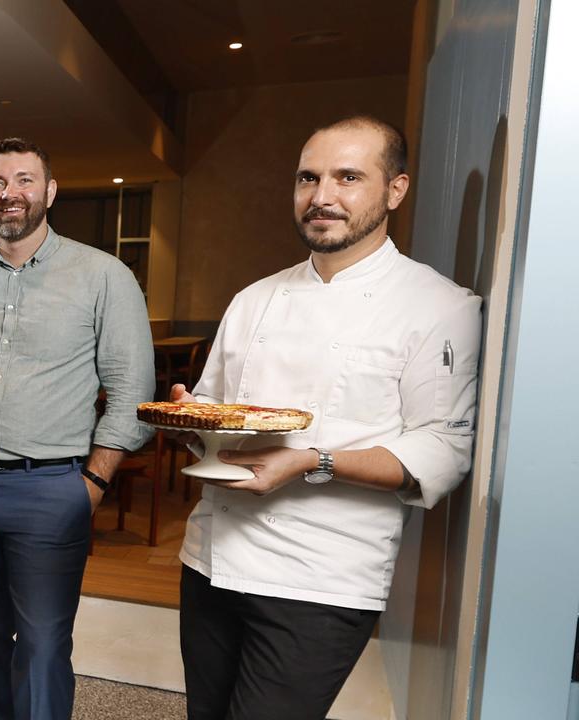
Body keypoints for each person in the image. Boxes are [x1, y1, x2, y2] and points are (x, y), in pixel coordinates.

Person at [173, 115, 482, 720]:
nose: (322, 197)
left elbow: (442, 448)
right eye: (308, 178)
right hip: (210, 558)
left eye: (348, 177)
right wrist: (192, 421)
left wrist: (311, 461)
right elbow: (214, 411)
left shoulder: (441, 306)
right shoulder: (254, 298)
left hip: (321, 579)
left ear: (395, 189)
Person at [0, 138, 156, 719]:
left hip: (53, 488)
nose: (10, 194)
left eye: (24, 180)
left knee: (45, 646)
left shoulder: (103, 276)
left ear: (49, 191)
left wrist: (92, 484)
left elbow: (131, 393)